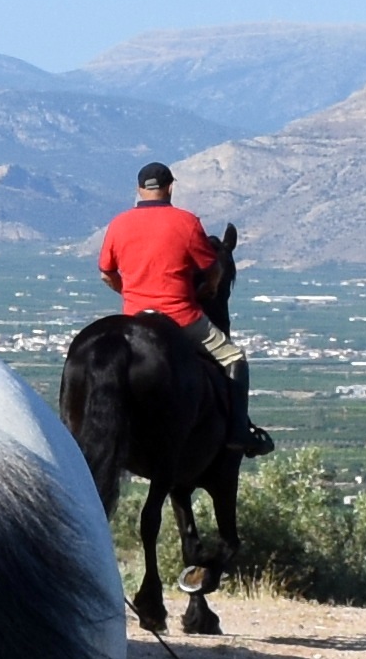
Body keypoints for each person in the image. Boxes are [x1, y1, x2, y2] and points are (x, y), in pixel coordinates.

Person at [92, 158, 260, 459]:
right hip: (182, 317)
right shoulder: (187, 222)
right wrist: (209, 287)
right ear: (170, 189)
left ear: (139, 190)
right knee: (235, 358)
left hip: (133, 318)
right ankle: (238, 432)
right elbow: (211, 268)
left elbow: (106, 273)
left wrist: (127, 291)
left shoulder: (119, 224)